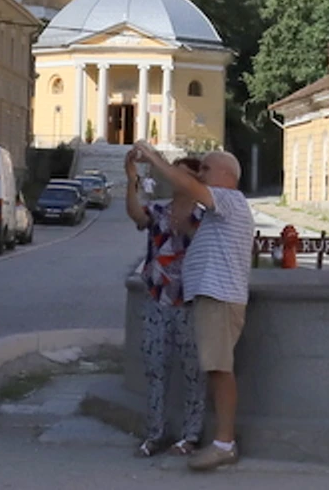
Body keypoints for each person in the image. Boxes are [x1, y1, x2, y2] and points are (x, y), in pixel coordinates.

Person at [131, 141, 255, 472]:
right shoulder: (220, 210)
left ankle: (224, 444)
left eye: (206, 169)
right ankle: (222, 443)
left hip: (219, 298)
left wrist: (154, 158)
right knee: (216, 368)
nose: (200, 175)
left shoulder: (228, 198)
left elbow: (187, 184)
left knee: (219, 369)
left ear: (226, 175)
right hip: (213, 298)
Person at [125, 150, 205, 457]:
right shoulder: (159, 210)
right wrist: (131, 179)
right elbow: (136, 215)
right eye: (174, 172)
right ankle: (154, 434)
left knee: (192, 370)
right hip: (157, 299)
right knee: (155, 367)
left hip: (189, 302)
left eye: (183, 174)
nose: (175, 178)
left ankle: (190, 435)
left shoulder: (203, 217)